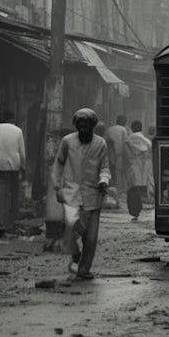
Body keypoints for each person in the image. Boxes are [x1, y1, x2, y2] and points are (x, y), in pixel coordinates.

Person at [51, 108, 111, 279]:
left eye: (87, 126)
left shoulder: (101, 144)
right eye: (81, 126)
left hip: (93, 195)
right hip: (71, 194)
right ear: (76, 126)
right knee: (71, 230)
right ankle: (75, 254)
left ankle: (84, 270)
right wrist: (57, 186)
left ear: (93, 126)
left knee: (91, 238)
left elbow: (105, 167)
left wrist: (104, 180)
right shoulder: (67, 142)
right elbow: (58, 164)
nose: (84, 129)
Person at [0, 111, 26, 230]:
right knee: (12, 195)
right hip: (13, 168)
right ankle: (10, 222)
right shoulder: (17, 131)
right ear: (13, 120)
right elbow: (22, 153)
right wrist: (24, 169)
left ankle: (0, 221)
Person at [123, 120, 152, 220]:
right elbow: (150, 156)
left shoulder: (127, 140)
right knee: (141, 189)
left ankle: (134, 211)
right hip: (144, 169)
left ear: (132, 128)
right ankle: (139, 208)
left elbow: (126, 156)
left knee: (131, 190)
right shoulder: (147, 142)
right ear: (141, 128)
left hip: (132, 167)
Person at [104, 114, 129, 199]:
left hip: (109, 154)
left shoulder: (109, 129)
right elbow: (125, 144)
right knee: (119, 173)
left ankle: (111, 191)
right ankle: (118, 192)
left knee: (111, 173)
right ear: (124, 122)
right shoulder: (123, 129)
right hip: (120, 155)